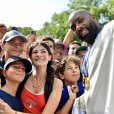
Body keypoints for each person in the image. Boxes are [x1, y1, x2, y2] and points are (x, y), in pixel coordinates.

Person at [68, 9, 114, 114]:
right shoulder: (87, 52)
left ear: (93, 18)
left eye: (80, 20)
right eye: (74, 27)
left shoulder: (108, 32)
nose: (78, 27)